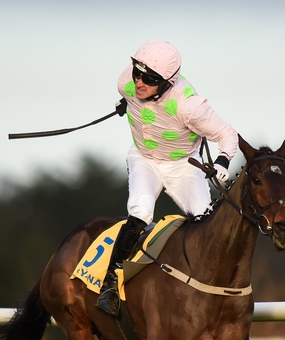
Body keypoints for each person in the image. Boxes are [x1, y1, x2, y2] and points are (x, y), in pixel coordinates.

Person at [96, 39, 239, 316]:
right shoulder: (125, 82)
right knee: (140, 212)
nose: (139, 82)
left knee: (204, 220)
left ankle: (214, 293)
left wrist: (223, 160)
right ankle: (110, 286)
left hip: (182, 166)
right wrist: (125, 104)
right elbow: (132, 96)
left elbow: (227, 134)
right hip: (144, 159)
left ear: (168, 82)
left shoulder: (189, 105)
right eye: (137, 72)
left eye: (148, 78)